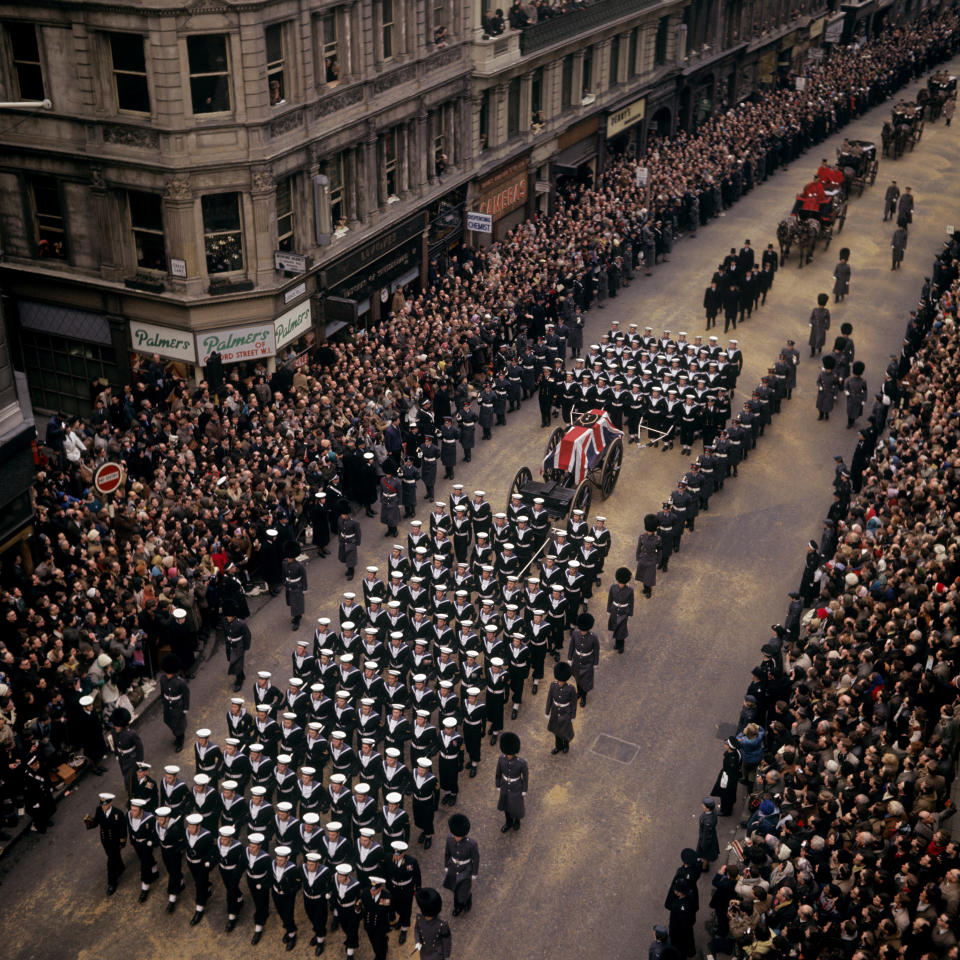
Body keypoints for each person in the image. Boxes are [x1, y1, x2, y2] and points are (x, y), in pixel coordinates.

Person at [84, 791, 127, 895]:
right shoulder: (99, 810)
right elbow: (96, 822)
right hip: (105, 840)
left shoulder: (118, 813)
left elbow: (122, 829)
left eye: (106, 805)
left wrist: (122, 841)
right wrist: (90, 821)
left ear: (111, 803)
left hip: (115, 841)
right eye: (102, 805)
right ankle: (120, 867)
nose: (103, 807)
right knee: (113, 856)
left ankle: (112, 883)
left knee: (110, 862)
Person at [442, 812, 479, 916]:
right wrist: (446, 865)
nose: (456, 838)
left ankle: (466, 901)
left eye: (459, 836)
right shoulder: (450, 839)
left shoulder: (471, 844)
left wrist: (474, 873)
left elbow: (475, 859)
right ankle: (457, 906)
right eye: (455, 835)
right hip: (453, 867)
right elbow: (447, 853)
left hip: (466, 869)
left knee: (463, 890)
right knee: (455, 888)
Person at [495, 731, 527, 832]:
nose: (508, 756)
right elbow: (498, 773)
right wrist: (498, 784)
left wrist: (524, 789)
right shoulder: (501, 759)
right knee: (506, 805)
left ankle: (517, 821)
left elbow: (525, 777)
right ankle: (508, 822)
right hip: (504, 785)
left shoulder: (521, 763)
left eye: (510, 754)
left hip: (516, 786)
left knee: (516, 806)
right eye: (507, 754)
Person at [545, 660, 577, 755]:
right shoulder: (553, 685)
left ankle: (566, 745)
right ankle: (558, 746)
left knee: (564, 730)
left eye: (561, 681)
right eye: (559, 680)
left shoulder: (571, 689)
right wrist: (547, 711)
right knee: (556, 730)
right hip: (555, 710)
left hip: (565, 712)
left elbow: (574, 703)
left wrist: (573, 716)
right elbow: (549, 698)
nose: (559, 683)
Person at [568, 612, 599, 707]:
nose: (582, 632)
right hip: (577, 660)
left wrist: (595, 663)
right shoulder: (575, 634)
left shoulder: (593, 637)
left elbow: (596, 651)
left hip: (587, 662)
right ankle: (579, 692)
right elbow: (572, 646)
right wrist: (569, 658)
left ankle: (584, 696)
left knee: (585, 680)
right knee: (577, 678)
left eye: (584, 630)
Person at [112, 706, 143, 797]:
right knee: (125, 774)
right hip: (122, 759)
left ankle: (132, 795)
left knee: (129, 778)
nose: (116, 727)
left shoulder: (131, 734)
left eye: (117, 725)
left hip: (131, 759)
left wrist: (140, 761)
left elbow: (139, 747)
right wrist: (117, 754)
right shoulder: (114, 731)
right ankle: (131, 788)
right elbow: (115, 743)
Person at [360, 876, 392, 960]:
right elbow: (363, 906)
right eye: (371, 889)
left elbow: (386, 911)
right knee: (372, 941)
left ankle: (381, 956)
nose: (372, 891)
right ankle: (379, 951)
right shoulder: (365, 892)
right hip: (368, 923)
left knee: (380, 944)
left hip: (380, 925)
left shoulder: (386, 896)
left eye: (375, 889)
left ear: (380, 888)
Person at [414, 888, 452, 960]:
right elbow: (417, 929)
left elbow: (447, 941)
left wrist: (446, 957)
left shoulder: (442, 924)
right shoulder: (419, 918)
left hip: (437, 955)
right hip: (424, 952)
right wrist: (417, 941)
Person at [77, 692, 109, 773]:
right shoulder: (81, 717)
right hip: (90, 740)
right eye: (89, 705)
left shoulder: (93, 711)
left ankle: (98, 766)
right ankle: (94, 768)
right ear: (84, 707)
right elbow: (83, 732)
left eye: (91, 704)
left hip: (97, 736)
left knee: (99, 753)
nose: (92, 706)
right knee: (92, 756)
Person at [710, 738, 741, 816]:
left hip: (728, 779)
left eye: (726, 744)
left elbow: (730, 772)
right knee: (727, 795)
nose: (725, 744)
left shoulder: (731, 760)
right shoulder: (737, 752)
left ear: (729, 747)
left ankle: (725, 811)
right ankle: (726, 808)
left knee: (726, 795)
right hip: (730, 777)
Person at [635, 514, 661, 599]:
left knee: (649, 578)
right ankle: (645, 588)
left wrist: (657, 560)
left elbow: (659, 551)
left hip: (651, 560)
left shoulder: (657, 539)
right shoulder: (642, 537)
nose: (649, 532)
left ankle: (648, 590)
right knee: (642, 575)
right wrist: (638, 558)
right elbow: (639, 548)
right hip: (643, 559)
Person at [223, 614, 252, 693]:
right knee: (233, 660)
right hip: (230, 644)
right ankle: (242, 676)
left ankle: (239, 681)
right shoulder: (225, 621)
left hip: (238, 645)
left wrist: (245, 647)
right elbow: (226, 633)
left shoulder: (241, 624)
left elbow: (247, 635)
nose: (228, 617)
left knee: (236, 663)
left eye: (229, 616)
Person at [283, 544, 308, 630]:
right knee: (291, 603)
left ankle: (297, 620)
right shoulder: (284, 562)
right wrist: (284, 581)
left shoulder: (299, 566)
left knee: (296, 604)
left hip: (297, 587)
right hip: (289, 586)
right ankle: (297, 616)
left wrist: (304, 588)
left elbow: (304, 577)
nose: (288, 559)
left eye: (290, 558)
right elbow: (284, 574)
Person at [696, 797, 720, 872]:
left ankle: (704, 867)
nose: (702, 805)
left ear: (708, 808)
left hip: (706, 840)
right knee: (706, 855)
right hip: (711, 835)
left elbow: (707, 836)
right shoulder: (713, 811)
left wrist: (703, 846)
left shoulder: (708, 822)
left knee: (705, 855)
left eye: (704, 805)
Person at [338, 506, 361, 581]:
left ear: (347, 515)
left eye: (344, 514)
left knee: (351, 558)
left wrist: (357, 542)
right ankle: (349, 570)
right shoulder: (340, 519)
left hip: (351, 542)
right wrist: (340, 538)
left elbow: (358, 533)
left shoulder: (354, 522)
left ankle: (351, 572)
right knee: (344, 556)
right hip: (343, 541)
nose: (342, 516)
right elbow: (340, 530)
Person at [844, 360, 867, 428]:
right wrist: (846, 391)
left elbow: (865, 390)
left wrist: (864, 400)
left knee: (855, 411)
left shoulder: (863, 381)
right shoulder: (849, 379)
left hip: (858, 398)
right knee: (849, 411)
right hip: (850, 397)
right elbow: (846, 386)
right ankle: (849, 423)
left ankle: (852, 421)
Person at [816, 355, 838, 421]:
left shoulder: (834, 376)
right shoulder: (822, 373)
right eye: (827, 368)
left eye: (829, 369)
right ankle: (821, 415)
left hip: (829, 393)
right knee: (820, 405)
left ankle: (826, 414)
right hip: (821, 393)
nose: (828, 370)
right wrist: (820, 386)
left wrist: (835, 395)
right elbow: (818, 381)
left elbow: (836, 386)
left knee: (827, 406)